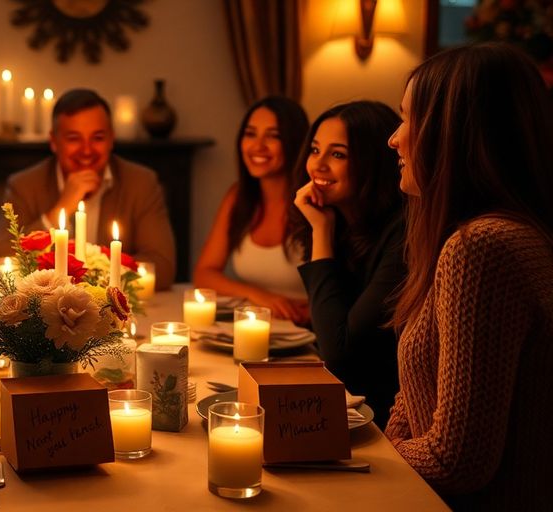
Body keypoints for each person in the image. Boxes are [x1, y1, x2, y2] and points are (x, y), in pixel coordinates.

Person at [385, 42, 553, 508]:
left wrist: (370, 458)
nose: (394, 139)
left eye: (407, 119)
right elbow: (417, 393)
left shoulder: (483, 248)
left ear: (455, 132)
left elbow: (458, 461)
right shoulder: (497, 236)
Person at [289, 101, 405, 427]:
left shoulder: (402, 234)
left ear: (374, 162)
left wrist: (321, 231)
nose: (318, 165)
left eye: (337, 154)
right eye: (315, 150)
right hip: (344, 405)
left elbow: (339, 354)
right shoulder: (343, 224)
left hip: (379, 420)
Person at [0, 88, 176, 289]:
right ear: (54, 142)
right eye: (73, 138)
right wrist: (61, 209)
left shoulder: (141, 182)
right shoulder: (24, 185)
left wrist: (95, 277)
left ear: (111, 139)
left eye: (97, 138)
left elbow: (162, 268)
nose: (86, 150)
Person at [193, 97, 310, 322]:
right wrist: (258, 295)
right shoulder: (238, 197)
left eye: (273, 136)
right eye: (251, 134)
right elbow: (204, 274)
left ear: (295, 142)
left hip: (308, 334)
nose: (258, 146)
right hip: (256, 325)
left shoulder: (313, 203)